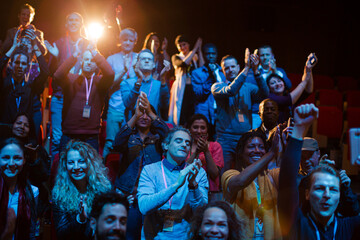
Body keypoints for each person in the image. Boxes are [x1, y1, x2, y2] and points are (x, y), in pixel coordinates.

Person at [278, 103, 360, 239]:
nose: (327, 195)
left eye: (333, 189)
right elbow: (286, 183)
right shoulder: (297, 225)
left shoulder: (350, 227)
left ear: (340, 196)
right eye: (320, 188)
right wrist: (298, 129)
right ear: (307, 194)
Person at [112, 94, 169, 240]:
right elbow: (117, 144)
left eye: (147, 113)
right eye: (140, 113)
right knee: (129, 234)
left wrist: (151, 113)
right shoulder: (128, 137)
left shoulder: (158, 139)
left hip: (151, 193)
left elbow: (169, 136)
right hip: (128, 194)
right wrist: (134, 117)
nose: (144, 117)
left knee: (151, 235)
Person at [137, 126, 209, 239]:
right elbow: (144, 207)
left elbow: (202, 213)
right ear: (165, 145)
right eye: (178, 141)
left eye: (187, 143)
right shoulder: (150, 170)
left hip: (186, 237)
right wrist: (175, 186)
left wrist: (193, 185)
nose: (184, 145)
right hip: (154, 236)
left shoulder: (198, 173)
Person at [212, 50, 269, 173]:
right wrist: (247, 68)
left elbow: (265, 94)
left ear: (238, 67)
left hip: (244, 138)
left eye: (233, 66)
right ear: (222, 71)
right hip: (225, 139)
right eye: (226, 68)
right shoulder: (217, 86)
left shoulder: (248, 87)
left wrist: (255, 71)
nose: (230, 70)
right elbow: (230, 90)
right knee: (224, 174)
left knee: (244, 174)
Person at [53, 41, 114, 152]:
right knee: (65, 166)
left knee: (91, 167)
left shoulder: (100, 82)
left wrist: (95, 52)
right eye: (86, 59)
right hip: (69, 134)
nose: (89, 63)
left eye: (92, 60)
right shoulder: (71, 79)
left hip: (91, 136)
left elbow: (110, 74)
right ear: (81, 61)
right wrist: (75, 54)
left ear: (97, 65)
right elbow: (58, 75)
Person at [221, 129, 282, 239]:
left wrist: (290, 145)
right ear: (241, 152)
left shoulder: (272, 176)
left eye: (261, 147)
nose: (257, 150)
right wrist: (271, 153)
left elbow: (290, 175)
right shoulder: (230, 174)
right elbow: (240, 182)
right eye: (251, 146)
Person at [45, 12, 88, 159]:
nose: (74, 22)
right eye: (71, 20)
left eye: (77, 20)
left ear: (81, 24)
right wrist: (55, 57)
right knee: (56, 138)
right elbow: (51, 72)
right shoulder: (59, 43)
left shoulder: (88, 43)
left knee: (76, 138)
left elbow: (95, 68)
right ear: (66, 24)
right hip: (60, 96)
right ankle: (55, 176)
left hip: (79, 97)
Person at [52, 140, 112, 239]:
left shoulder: (103, 188)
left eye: (81, 161)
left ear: (90, 163)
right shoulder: (59, 193)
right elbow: (61, 234)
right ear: (65, 166)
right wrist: (80, 219)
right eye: (71, 162)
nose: (76, 167)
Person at [298, 137, 360, 217]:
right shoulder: (294, 178)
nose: (306, 161)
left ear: (318, 154)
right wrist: (317, 171)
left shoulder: (330, 177)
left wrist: (346, 189)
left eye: (310, 156)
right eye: (302, 157)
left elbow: (353, 212)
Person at [103, 28, 139, 159]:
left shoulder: (139, 57)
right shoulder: (111, 59)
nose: (128, 43)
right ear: (120, 41)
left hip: (134, 109)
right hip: (115, 107)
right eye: (125, 40)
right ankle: (104, 174)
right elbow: (108, 84)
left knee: (131, 144)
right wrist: (123, 70)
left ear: (135, 42)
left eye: (131, 40)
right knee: (110, 143)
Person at [0, 39, 49, 126]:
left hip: (24, 132)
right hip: (6, 130)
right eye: (17, 63)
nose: (20, 66)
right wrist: (13, 47)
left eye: (23, 63)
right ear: (10, 65)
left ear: (27, 67)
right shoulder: (4, 84)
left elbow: (45, 72)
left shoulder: (31, 86)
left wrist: (35, 47)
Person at [245, 45, 292, 129]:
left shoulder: (279, 70)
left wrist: (275, 71)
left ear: (272, 56)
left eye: (267, 55)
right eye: (262, 55)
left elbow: (288, 85)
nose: (265, 57)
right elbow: (254, 91)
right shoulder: (251, 73)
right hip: (257, 111)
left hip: (277, 111)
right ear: (258, 57)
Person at [0, 138, 39, 240]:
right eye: (6, 157)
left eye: (17, 158)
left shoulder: (32, 192)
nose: (11, 163)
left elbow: (32, 231)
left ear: (24, 160)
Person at [265, 53, 317, 124]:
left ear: (284, 84)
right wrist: (304, 81)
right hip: (275, 133)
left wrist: (309, 69)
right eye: (273, 83)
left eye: (279, 81)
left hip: (289, 131)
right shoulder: (270, 98)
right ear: (269, 88)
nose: (277, 84)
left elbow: (308, 90)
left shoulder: (288, 96)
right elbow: (288, 100)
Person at [121, 49, 170, 121]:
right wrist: (139, 80)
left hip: (152, 127)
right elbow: (129, 105)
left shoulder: (159, 85)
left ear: (154, 65)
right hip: (132, 126)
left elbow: (164, 106)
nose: (147, 61)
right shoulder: (127, 83)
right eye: (143, 59)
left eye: (149, 59)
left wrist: (162, 78)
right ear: (137, 63)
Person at [186, 114, 224, 201]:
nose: (199, 131)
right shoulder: (185, 146)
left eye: (203, 128)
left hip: (211, 193)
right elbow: (184, 170)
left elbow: (214, 174)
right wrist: (196, 152)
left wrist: (206, 151)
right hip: (187, 191)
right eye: (195, 127)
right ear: (189, 129)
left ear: (207, 130)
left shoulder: (215, 146)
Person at [169, 35, 204, 126]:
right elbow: (184, 64)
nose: (182, 47)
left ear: (188, 44)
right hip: (181, 89)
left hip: (192, 88)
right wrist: (195, 48)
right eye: (179, 46)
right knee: (181, 112)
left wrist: (199, 50)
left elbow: (202, 67)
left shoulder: (194, 56)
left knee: (192, 112)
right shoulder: (176, 57)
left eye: (184, 44)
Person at [191, 43, 226, 131]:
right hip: (204, 113)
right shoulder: (197, 73)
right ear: (203, 55)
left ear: (217, 55)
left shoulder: (223, 71)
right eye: (207, 54)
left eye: (213, 54)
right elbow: (199, 94)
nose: (210, 56)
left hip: (220, 113)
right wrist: (211, 77)